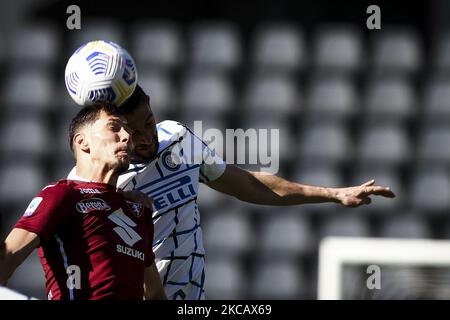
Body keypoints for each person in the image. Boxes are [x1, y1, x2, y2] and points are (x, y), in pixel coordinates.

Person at [70, 85, 395, 300]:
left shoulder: (179, 140)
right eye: (133, 130)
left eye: (149, 123)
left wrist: (333, 194)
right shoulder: (99, 179)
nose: (144, 136)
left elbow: (248, 184)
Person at [0, 101, 166, 300]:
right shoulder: (62, 194)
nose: (127, 136)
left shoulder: (137, 210)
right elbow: (6, 260)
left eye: (128, 130)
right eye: (114, 127)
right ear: (82, 142)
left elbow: (154, 293)